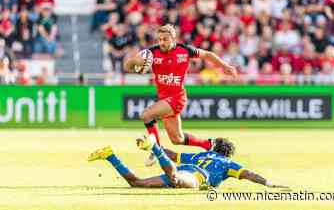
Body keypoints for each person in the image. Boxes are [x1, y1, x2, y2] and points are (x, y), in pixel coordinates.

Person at [123, 24, 238, 166]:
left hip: (177, 98)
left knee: (146, 115)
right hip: (165, 100)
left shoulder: (184, 50)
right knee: (178, 139)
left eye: (165, 39)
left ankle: (156, 151)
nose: (161, 42)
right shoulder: (150, 53)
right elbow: (127, 67)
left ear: (173, 38)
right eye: (159, 39)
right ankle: (210, 145)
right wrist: (135, 61)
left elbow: (208, 55)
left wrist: (225, 66)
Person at [88, 135, 288, 189]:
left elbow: (173, 154)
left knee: (136, 183)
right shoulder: (227, 164)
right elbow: (248, 175)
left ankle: (110, 155)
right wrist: (268, 183)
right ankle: (153, 147)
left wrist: (157, 146)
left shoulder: (201, 155)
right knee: (174, 179)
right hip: (196, 177)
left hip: (185, 167)